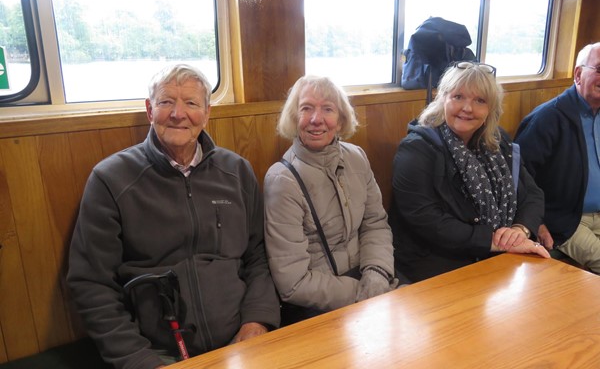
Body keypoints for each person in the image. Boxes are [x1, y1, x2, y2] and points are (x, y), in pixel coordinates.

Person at [67, 63, 280, 369]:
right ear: (149, 110)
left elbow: (258, 256)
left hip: (244, 342)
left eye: (191, 103)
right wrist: (141, 361)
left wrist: (256, 323)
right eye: (166, 102)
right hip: (159, 353)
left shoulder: (236, 171)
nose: (178, 113)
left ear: (206, 113)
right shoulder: (110, 179)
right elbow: (91, 285)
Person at [389, 61, 550, 282]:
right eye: (458, 97)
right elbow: (426, 219)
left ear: (490, 108)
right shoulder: (416, 149)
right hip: (437, 262)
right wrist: (493, 241)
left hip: (497, 253)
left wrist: (520, 230)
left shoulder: (498, 141)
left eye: (479, 100)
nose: (467, 108)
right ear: (443, 98)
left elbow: (532, 194)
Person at [263, 75, 399, 325]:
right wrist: (362, 294)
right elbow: (292, 282)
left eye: (328, 109)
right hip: (320, 304)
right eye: (306, 108)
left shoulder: (356, 157)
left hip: (372, 279)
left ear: (340, 120)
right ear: (295, 118)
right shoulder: (282, 180)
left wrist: (377, 273)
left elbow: (375, 224)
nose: (316, 119)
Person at [515, 42, 600, 273]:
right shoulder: (547, 118)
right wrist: (537, 222)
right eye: (599, 69)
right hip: (566, 219)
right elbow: (519, 177)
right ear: (579, 74)